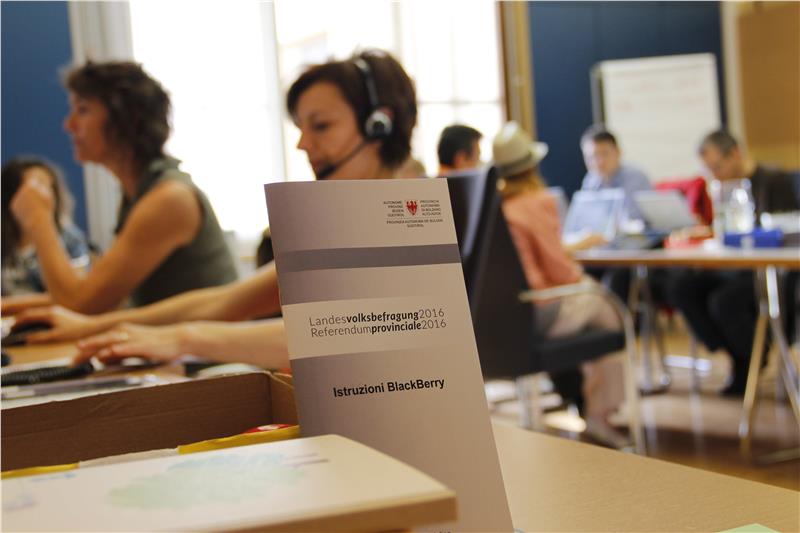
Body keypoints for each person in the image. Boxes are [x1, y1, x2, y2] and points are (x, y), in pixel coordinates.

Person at [15, 50, 418, 371]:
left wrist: (183, 337)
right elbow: (224, 301)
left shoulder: (412, 221)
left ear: (379, 126)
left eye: (321, 126)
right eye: (300, 128)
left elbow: (344, 333)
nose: (302, 145)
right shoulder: (348, 224)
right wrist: (96, 327)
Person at [8, 62, 237, 315]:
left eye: (82, 110)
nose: (69, 125)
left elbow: (80, 303)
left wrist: (38, 219)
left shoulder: (169, 199)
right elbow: (99, 293)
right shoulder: (141, 193)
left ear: (124, 119)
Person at [493, 122, 626, 446]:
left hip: (504, 319)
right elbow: (561, 271)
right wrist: (581, 274)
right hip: (541, 311)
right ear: (531, 166)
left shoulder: (495, 207)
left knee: (595, 305)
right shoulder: (536, 201)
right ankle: (600, 413)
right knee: (610, 310)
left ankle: (583, 399)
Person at [669, 130, 800, 395]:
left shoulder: (774, 181)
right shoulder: (722, 189)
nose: (714, 175)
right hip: (734, 267)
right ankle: (738, 351)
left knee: (724, 300)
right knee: (682, 287)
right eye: (708, 170)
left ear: (735, 154)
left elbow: (785, 231)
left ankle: (750, 359)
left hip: (769, 271)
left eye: (718, 166)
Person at [2, 157, 89, 297]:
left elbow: (76, 293)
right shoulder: (5, 241)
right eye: (36, 187)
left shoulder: (70, 239)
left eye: (50, 187)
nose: (46, 195)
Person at [580, 124, 652, 221]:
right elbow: (585, 217)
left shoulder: (635, 178)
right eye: (591, 157)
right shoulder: (591, 180)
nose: (599, 162)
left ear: (618, 152)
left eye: (604, 154)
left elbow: (632, 218)